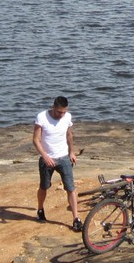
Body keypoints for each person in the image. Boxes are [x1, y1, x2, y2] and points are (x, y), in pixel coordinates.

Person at [33, 96, 81, 231]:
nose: (61, 115)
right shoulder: (42, 117)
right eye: (59, 112)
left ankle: (76, 218)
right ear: (53, 107)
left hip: (64, 157)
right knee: (44, 186)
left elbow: (69, 135)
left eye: (64, 112)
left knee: (71, 188)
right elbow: (36, 140)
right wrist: (45, 156)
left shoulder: (67, 117)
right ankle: (40, 209)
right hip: (47, 159)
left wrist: (72, 152)